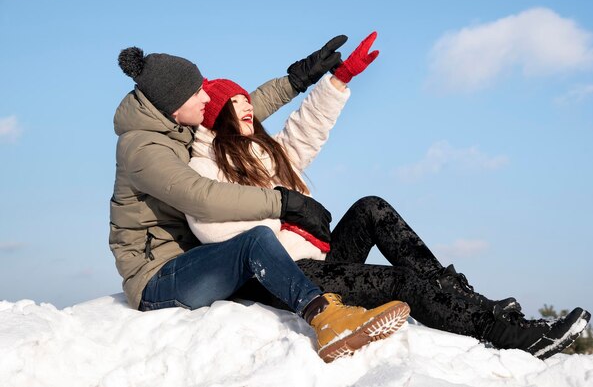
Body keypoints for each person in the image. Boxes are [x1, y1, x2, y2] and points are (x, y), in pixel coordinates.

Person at [187, 32, 592, 360]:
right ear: (214, 115)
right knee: (402, 282)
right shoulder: (202, 168)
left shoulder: (260, 152)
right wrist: (285, 215)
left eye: (245, 100)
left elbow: (304, 131)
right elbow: (218, 232)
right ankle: (505, 334)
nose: (246, 108)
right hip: (288, 276)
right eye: (233, 102)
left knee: (371, 207)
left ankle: (467, 299)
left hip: (319, 260)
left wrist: (338, 81)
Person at [109, 40, 412, 363]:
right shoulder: (143, 148)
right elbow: (201, 197)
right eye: (197, 93)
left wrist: (297, 80)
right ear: (174, 102)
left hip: (196, 260)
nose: (206, 97)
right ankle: (327, 320)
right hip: (159, 278)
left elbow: (234, 113)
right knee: (255, 240)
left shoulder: (175, 125)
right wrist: (282, 202)